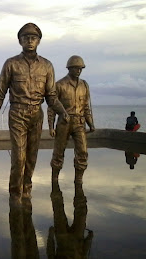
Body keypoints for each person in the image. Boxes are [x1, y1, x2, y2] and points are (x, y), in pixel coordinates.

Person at [0, 23, 69, 206]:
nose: (30, 41)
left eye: (33, 38)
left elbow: (52, 96)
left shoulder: (47, 66)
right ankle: (15, 192)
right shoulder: (11, 64)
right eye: (26, 38)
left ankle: (27, 187)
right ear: (20, 41)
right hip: (17, 113)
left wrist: (63, 112)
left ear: (39, 41)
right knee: (19, 156)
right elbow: (0, 93)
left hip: (36, 114)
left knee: (32, 156)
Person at [48, 55, 95, 184]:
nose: (78, 71)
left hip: (79, 122)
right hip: (64, 122)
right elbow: (52, 108)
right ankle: (55, 178)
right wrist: (51, 127)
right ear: (69, 68)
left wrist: (91, 123)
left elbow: (86, 107)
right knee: (58, 152)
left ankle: (79, 179)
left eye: (80, 68)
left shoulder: (84, 85)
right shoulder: (59, 85)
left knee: (82, 151)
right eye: (76, 68)